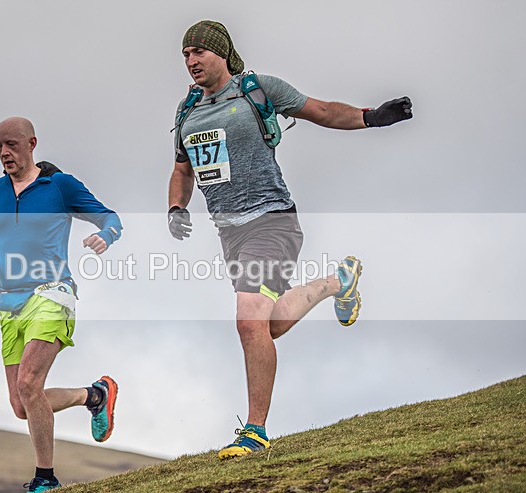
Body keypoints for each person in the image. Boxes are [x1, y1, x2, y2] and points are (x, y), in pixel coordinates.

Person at [167, 21, 413, 460]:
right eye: (185, 54)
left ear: (221, 53)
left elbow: (321, 111)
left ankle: (254, 432)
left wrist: (371, 117)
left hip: (271, 220)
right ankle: (337, 282)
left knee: (248, 322)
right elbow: (182, 170)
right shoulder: (188, 110)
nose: (191, 61)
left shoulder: (258, 89)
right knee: (268, 325)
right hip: (230, 233)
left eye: (198, 51)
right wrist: (176, 207)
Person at [0, 117, 123, 493]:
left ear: (31, 143)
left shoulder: (59, 185)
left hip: (52, 293)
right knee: (21, 405)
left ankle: (46, 479)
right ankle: (94, 396)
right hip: (10, 303)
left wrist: (105, 235)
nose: (4, 153)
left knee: (29, 383)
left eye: (11, 144)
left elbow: (109, 217)